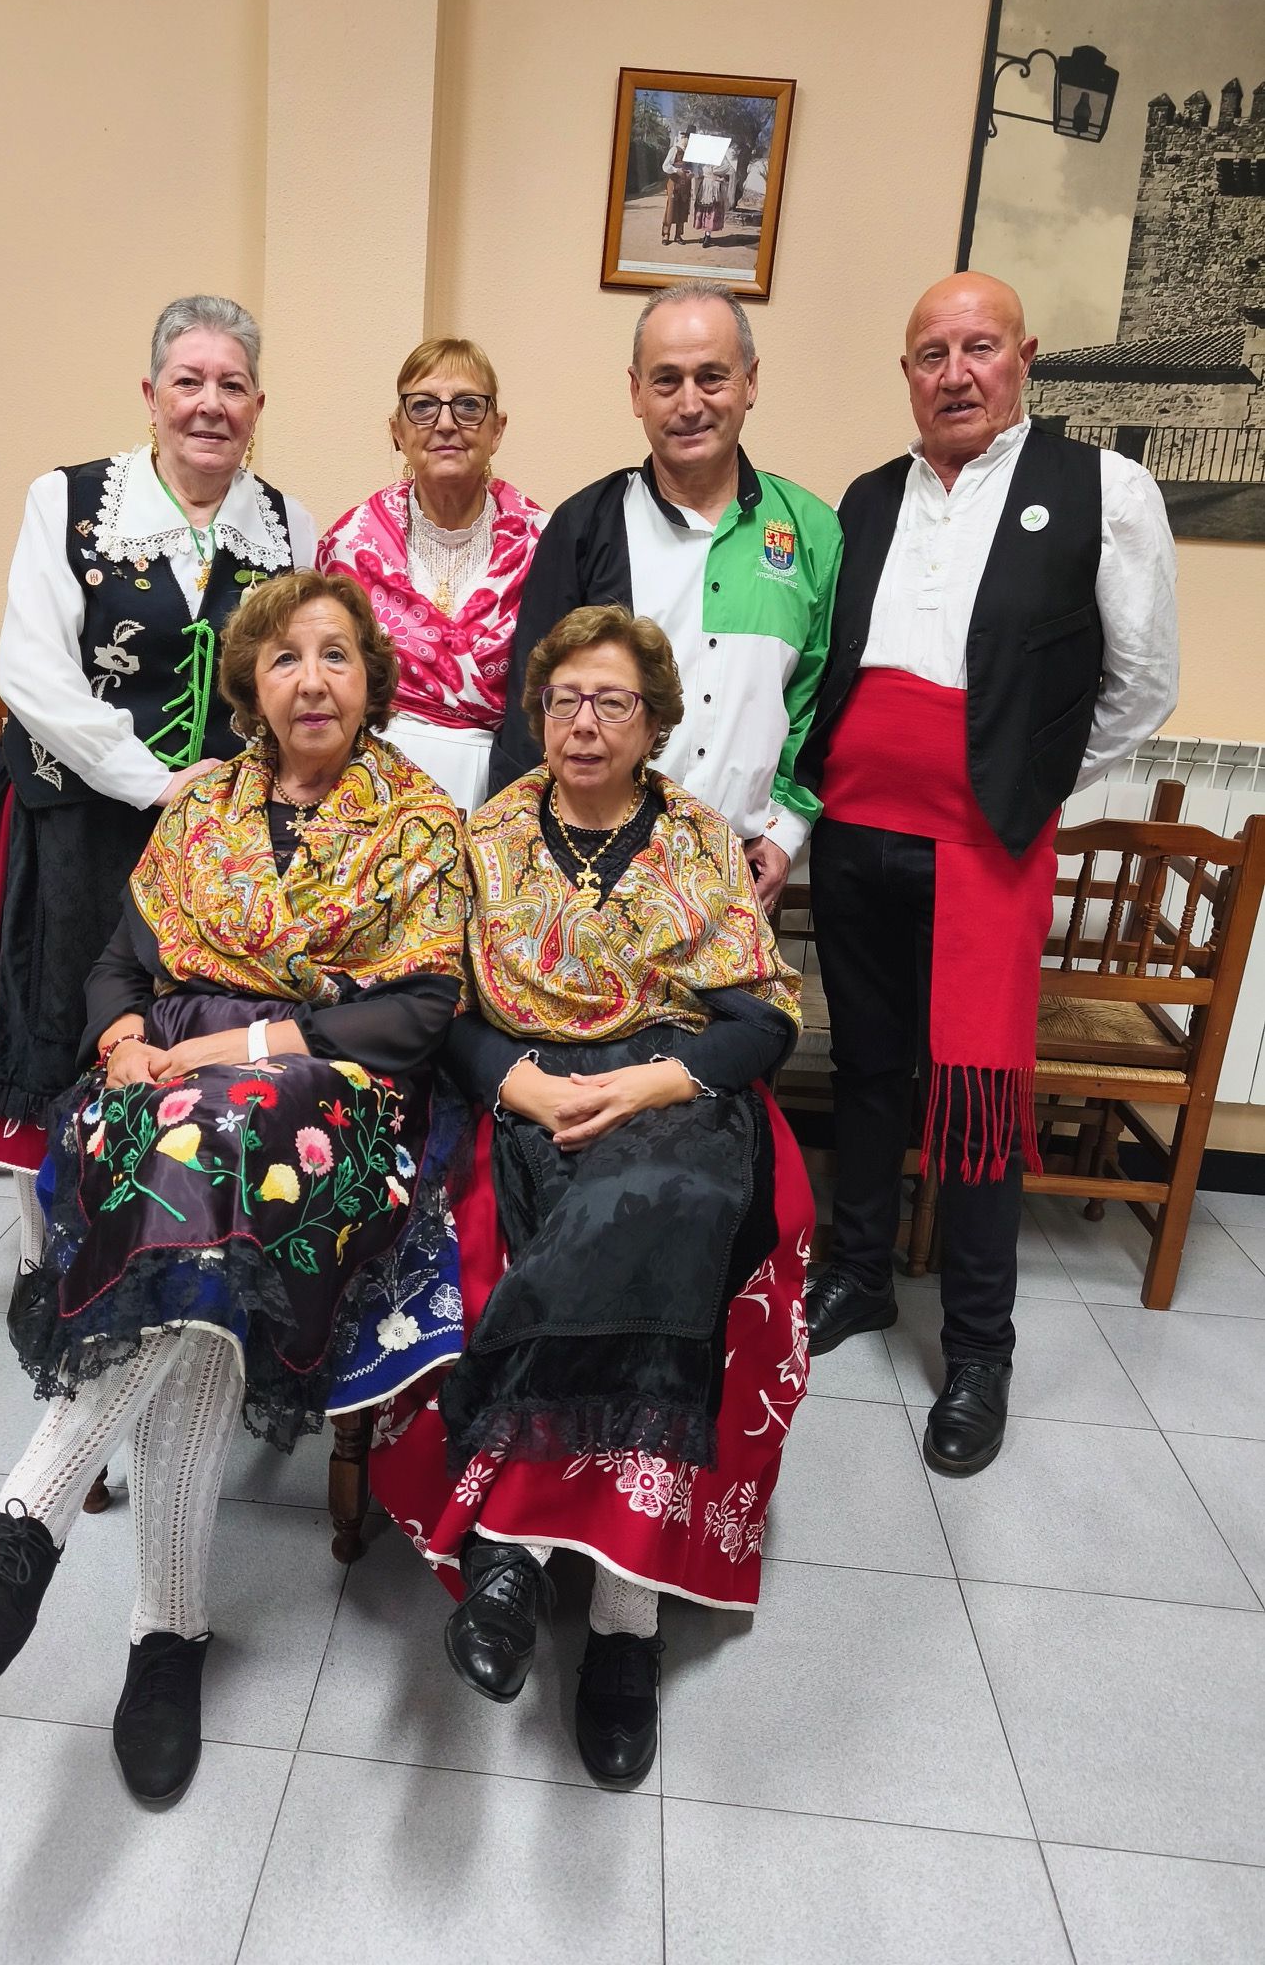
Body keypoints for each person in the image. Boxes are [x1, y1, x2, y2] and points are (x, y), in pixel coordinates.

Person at [0, 570, 468, 1806]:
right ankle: (166, 1633)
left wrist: (231, 1052)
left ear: (373, 680)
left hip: (328, 1093)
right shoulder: (202, 802)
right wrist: (120, 1045)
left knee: (224, 1159)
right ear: (251, 687)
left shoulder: (420, 817)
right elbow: (120, 961)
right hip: (158, 1085)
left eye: (336, 655)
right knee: (198, 1216)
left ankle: (35, 1510)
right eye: (285, 659)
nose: (312, 678)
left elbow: (423, 1007)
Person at [372, 605, 810, 1788]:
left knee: (656, 1208)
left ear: (656, 722)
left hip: (670, 1086)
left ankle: (585, 1598)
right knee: (574, 1212)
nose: (584, 722)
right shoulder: (486, 837)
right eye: (565, 699)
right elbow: (437, 1005)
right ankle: (572, 1592)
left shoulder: (704, 843)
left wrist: (643, 1083)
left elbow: (762, 1017)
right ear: (537, 714)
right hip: (525, 1090)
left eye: (613, 701)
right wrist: (522, 1085)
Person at [797, 271, 1179, 1475]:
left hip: (986, 849)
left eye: (978, 348)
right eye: (929, 354)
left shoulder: (1102, 492)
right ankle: (858, 1278)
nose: (954, 373)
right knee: (863, 1071)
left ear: (1024, 359)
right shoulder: (864, 500)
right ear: (906, 374)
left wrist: (1026, 776)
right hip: (856, 835)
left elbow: (1143, 681)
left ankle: (977, 1352)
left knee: (973, 1104)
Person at [0, 295, 314, 1279]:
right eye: (189, 382)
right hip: (75, 818)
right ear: (150, 395)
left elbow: (300, 671)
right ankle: (44, 1257)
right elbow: (35, 673)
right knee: (62, 1027)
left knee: (185, 1034)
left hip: (214, 842)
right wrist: (154, 782)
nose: (209, 404)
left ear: (259, 403)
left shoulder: (289, 525)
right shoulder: (68, 500)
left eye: (231, 385)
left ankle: (161, 1243)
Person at [489, 280, 841, 912]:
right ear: (635, 393)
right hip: (593, 874)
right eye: (666, 380)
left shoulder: (813, 532)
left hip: (742, 872)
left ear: (751, 382)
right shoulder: (584, 527)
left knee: (748, 1018)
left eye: (712, 377)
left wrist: (787, 835)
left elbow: (818, 702)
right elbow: (535, 707)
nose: (689, 404)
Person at [316, 338, 547, 813]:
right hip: (365, 787)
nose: (445, 423)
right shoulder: (348, 546)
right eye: (422, 406)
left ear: (497, 429)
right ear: (397, 430)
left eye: (467, 406)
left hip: (504, 791)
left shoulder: (543, 544)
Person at [661, 132, 692, 244]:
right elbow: (665, 166)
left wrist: (691, 173)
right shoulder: (675, 149)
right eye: (688, 138)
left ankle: (678, 235)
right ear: (685, 138)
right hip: (674, 182)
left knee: (683, 207)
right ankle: (666, 235)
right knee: (671, 207)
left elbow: (694, 167)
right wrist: (676, 170)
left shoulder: (691, 152)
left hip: (686, 183)